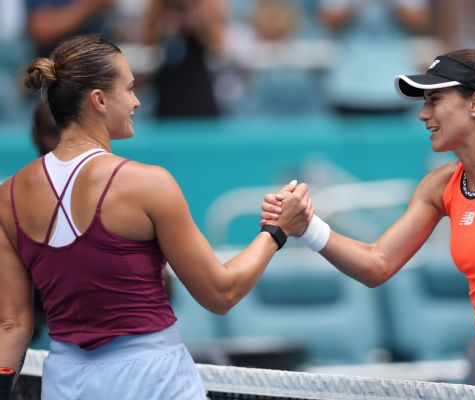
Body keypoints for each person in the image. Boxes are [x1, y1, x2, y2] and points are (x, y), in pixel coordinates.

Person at [262, 49, 475, 393]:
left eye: (435, 99)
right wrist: (307, 226)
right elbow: (376, 264)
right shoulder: (442, 186)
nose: (423, 114)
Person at [0, 34, 310, 399]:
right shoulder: (148, 184)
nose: (136, 101)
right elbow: (220, 294)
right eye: (129, 89)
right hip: (154, 381)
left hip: (67, 385)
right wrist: (277, 230)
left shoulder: (7, 197)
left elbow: (12, 324)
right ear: (98, 100)